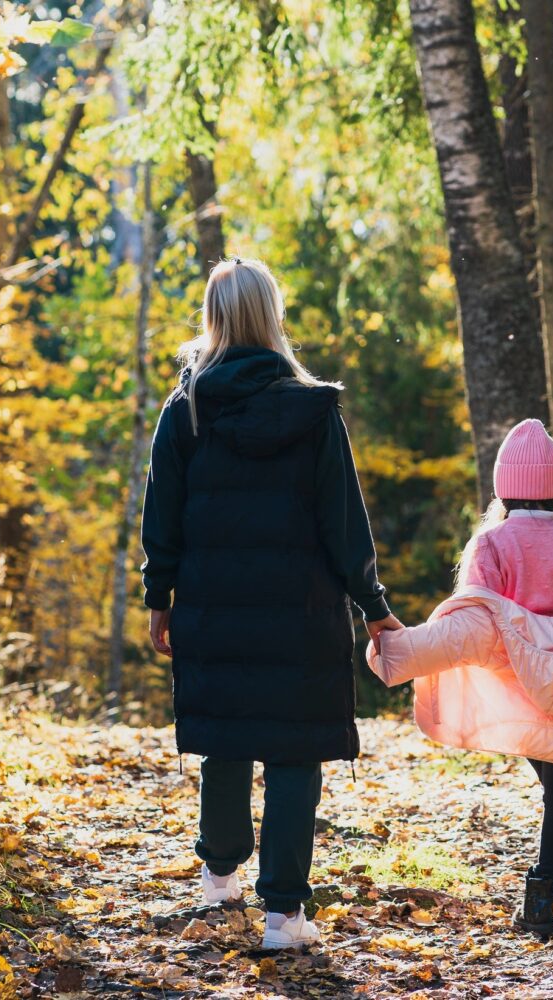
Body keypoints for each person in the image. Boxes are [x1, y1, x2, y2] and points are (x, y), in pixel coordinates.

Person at [140, 256, 402, 951]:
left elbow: (161, 515)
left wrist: (159, 597)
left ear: (212, 318)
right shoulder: (312, 410)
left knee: (225, 739)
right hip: (300, 613)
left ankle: (219, 876)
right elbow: (344, 521)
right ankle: (284, 917)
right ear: (272, 316)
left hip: (213, 606)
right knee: (294, 753)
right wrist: (372, 605)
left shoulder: (186, 409)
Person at [367, 418, 553, 936]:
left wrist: (400, 650)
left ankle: (541, 901)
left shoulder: (491, 543)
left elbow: (473, 619)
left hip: (524, 687)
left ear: (503, 487)